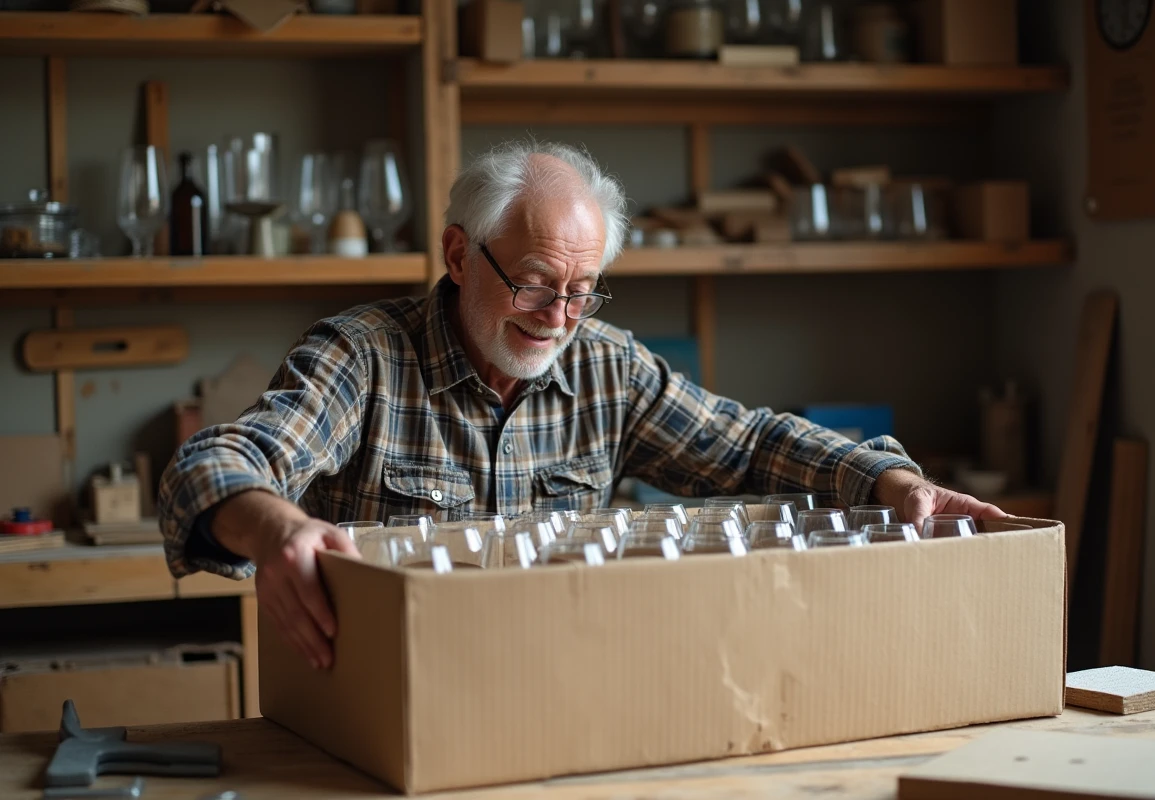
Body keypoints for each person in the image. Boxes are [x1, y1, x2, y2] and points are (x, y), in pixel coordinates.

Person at [158, 140, 1007, 670]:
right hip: (382, 704)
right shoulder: (364, 356)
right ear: (459, 255)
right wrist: (278, 529)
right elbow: (213, 464)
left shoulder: (608, 368)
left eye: (581, 292)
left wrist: (888, 482)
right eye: (532, 285)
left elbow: (748, 446)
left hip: (559, 688)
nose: (557, 319)